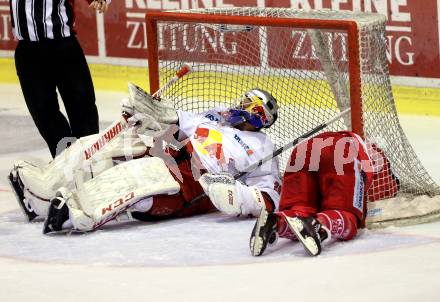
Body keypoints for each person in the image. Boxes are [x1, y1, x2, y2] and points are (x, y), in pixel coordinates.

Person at [9, 84, 281, 234]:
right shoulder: (216, 116)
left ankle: (73, 214)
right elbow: (172, 118)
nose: (239, 105)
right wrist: (148, 112)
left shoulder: (262, 147)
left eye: (248, 104)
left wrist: (240, 197)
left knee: (136, 176)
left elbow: (270, 194)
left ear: (258, 116)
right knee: (100, 147)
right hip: (170, 151)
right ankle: (44, 188)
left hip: (193, 184)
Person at [250, 131, 400, 257]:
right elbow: (379, 194)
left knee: (298, 211)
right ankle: (319, 225)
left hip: (303, 150)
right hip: (341, 150)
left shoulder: (367, 148)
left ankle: (276, 222)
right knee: (349, 217)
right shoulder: (384, 173)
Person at [10, 0, 110, 157]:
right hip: (28, 52)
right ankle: (67, 161)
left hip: (63, 46)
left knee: (82, 107)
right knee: (43, 112)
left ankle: (91, 161)